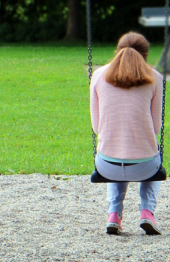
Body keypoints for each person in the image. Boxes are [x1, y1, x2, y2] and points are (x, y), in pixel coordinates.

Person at [90, 32, 163, 235]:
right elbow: (155, 128)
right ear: (146, 55)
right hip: (146, 167)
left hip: (107, 166)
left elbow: (97, 128)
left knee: (115, 151)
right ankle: (147, 212)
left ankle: (114, 214)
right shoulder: (155, 78)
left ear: (117, 52)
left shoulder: (97, 75)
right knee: (152, 154)